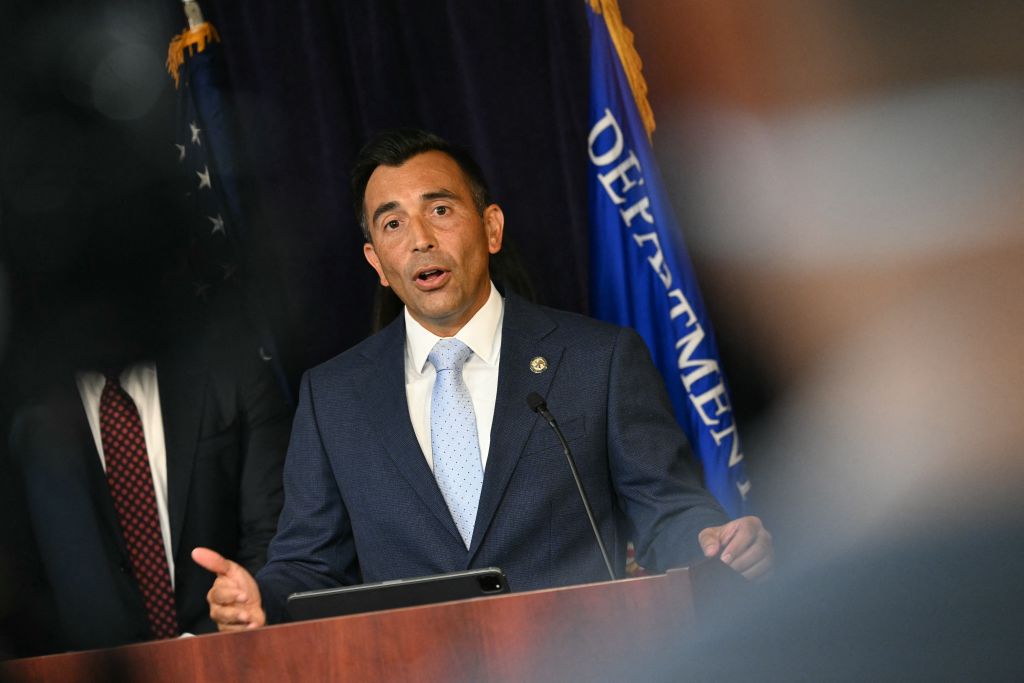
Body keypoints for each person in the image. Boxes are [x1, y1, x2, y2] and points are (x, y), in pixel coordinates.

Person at [193, 128, 772, 630]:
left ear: (491, 229)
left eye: (440, 210)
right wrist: (259, 598)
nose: (419, 238)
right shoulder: (332, 396)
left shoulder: (599, 359)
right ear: (376, 263)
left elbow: (667, 509)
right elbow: (307, 563)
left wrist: (709, 542)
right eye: (392, 223)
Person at [8, 268, 292, 652]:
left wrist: (219, 628)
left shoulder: (232, 370)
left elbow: (274, 533)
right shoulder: (20, 415)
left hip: (226, 656)